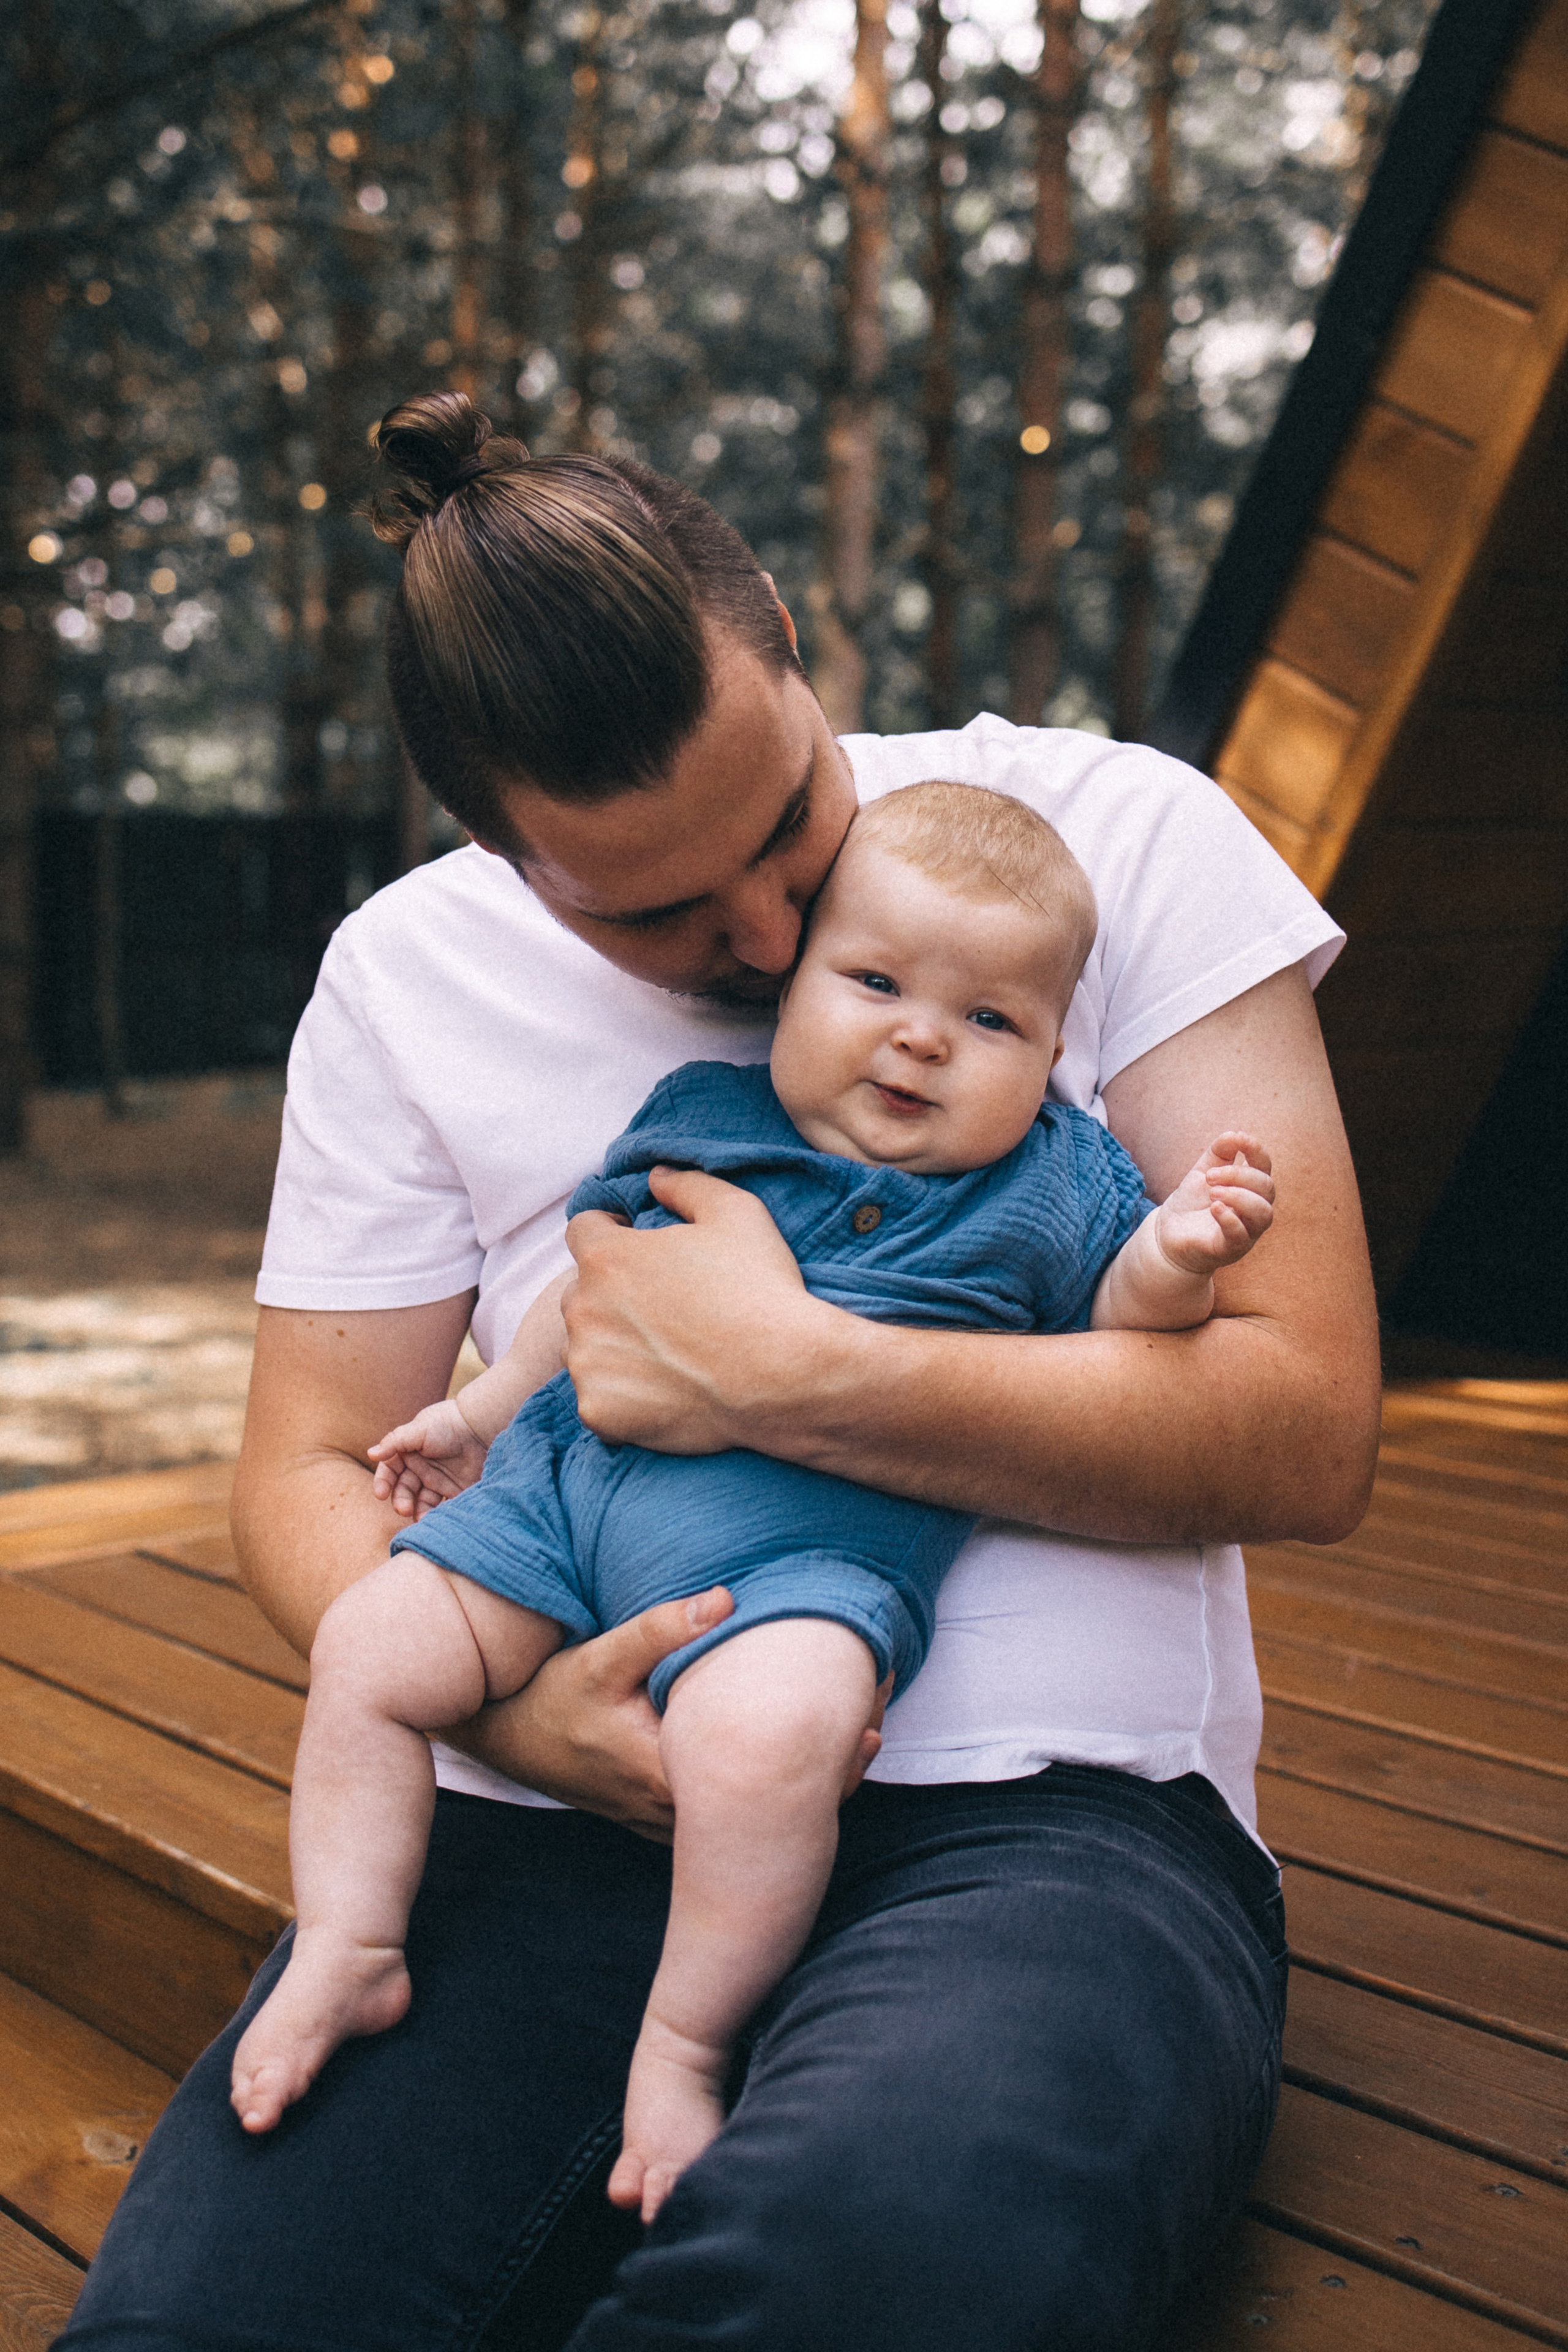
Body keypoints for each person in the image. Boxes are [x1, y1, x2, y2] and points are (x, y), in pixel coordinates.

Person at [57, 391, 1379, 2352]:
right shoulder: (406, 979)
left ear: (789, 641)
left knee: (869, 2276)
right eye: (656, 910)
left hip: (1045, 1828)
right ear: (498, 854)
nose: (765, 934)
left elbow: (1307, 1422)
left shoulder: (1108, 841)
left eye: (785, 828)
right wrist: (526, 1725)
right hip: (557, 1809)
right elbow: (309, 1469)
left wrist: (790, 1372)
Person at [225, 780, 1278, 2226]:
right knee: (369, 1646)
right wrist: (474, 1413)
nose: (920, 1037)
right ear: (792, 987)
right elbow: (589, 1288)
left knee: (767, 1744)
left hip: (791, 1569)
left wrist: (1178, 1252)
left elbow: (1122, 1322)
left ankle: (682, 2043)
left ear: (1050, 1056)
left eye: (989, 1020)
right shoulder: (704, 1118)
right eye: (875, 984)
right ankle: (349, 1942)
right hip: (555, 1509)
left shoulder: (1051, 1184)